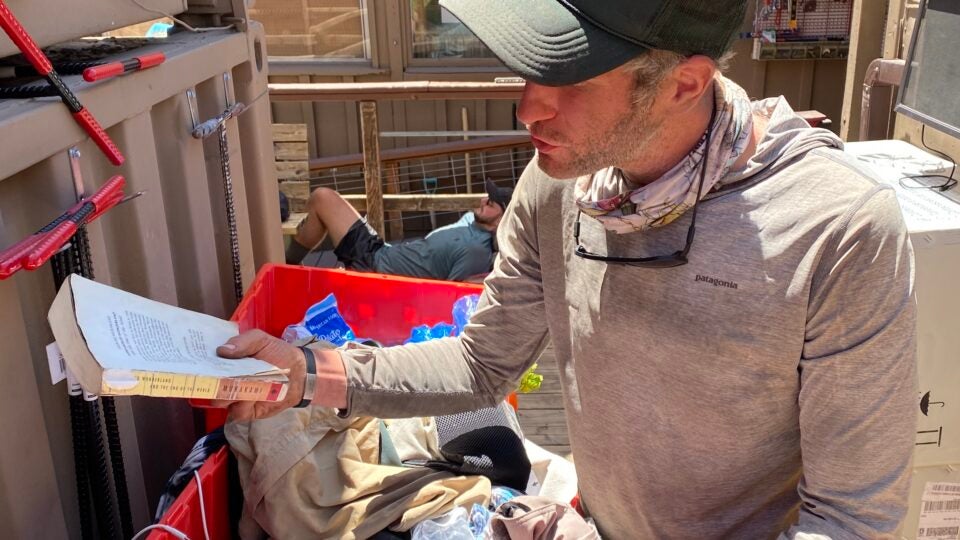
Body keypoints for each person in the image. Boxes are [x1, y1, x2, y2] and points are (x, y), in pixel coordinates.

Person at [219, 1, 919, 537]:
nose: (527, 108)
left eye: (567, 78)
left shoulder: (836, 228)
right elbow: (480, 365)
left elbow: (851, 518)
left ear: (685, 83)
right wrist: (306, 374)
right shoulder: (560, 188)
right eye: (530, 70)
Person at [285, 178, 514, 281]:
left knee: (322, 198)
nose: (483, 200)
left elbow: (450, 293)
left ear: (501, 221)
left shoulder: (476, 251)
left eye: (491, 203)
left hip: (376, 268)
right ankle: (289, 266)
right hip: (381, 250)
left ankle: (287, 266)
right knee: (323, 197)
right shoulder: (470, 221)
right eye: (486, 197)